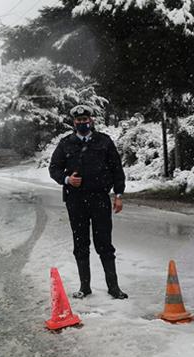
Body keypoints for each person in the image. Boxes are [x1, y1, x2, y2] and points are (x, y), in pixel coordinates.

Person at [48, 105, 128, 299]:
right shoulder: (66, 143)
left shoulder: (104, 141)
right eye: (79, 121)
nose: (83, 123)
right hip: (76, 201)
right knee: (80, 243)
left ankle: (113, 287)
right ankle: (85, 287)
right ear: (73, 123)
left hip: (100, 199)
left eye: (86, 120)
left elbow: (116, 169)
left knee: (105, 244)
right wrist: (67, 180)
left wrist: (119, 195)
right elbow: (54, 168)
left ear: (91, 120)